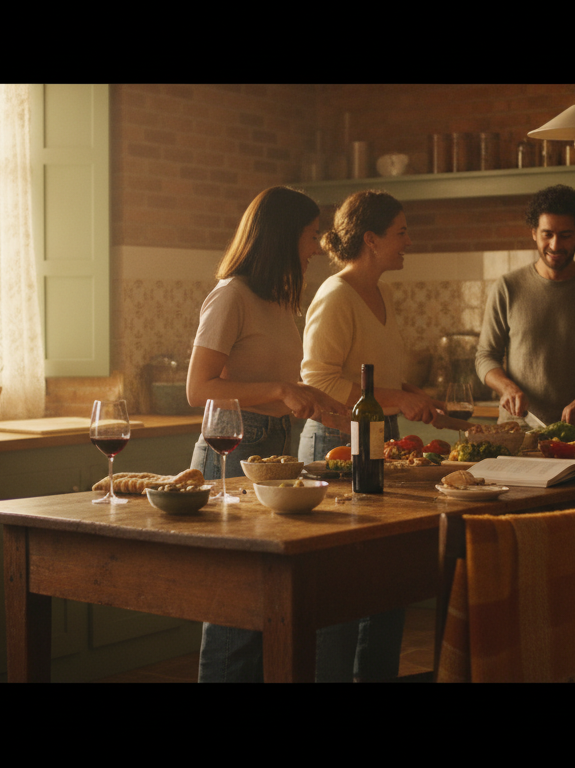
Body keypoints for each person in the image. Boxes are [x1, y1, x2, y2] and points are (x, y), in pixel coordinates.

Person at [185, 185, 347, 683]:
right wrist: (280, 389)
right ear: (282, 237)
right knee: (235, 606)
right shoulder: (231, 295)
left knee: (262, 602)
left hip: (272, 446)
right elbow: (198, 389)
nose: (316, 245)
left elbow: (274, 380)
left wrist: (316, 400)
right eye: (311, 234)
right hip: (231, 446)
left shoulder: (279, 300)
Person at [298, 189, 442, 682]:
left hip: (382, 438)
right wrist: (396, 399)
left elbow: (371, 375)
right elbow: (318, 381)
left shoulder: (380, 291)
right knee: (341, 591)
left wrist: (409, 393)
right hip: (336, 443)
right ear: (372, 239)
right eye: (401, 232)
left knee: (387, 583)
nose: (409, 242)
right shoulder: (336, 295)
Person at [475, 184, 575, 434]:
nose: (555, 245)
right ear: (533, 233)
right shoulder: (507, 287)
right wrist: (507, 388)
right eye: (547, 234)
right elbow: (485, 356)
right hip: (515, 433)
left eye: (566, 235)